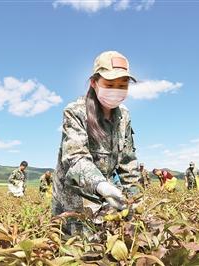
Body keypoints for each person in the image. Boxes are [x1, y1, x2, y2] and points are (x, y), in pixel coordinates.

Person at [52, 51, 140, 234]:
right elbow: (75, 158)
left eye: (122, 85)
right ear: (94, 82)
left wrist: (134, 200)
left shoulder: (124, 116)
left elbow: (128, 162)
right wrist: (101, 185)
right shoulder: (76, 112)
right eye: (109, 84)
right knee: (77, 248)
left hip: (105, 194)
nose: (116, 90)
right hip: (74, 197)